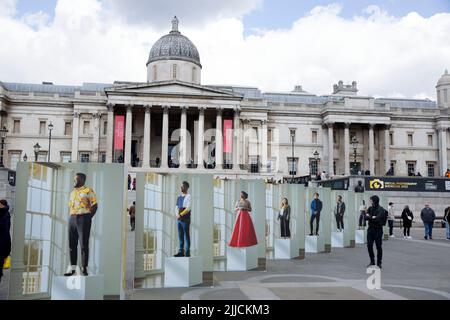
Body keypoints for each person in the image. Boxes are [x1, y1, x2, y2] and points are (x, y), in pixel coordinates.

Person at [65, 173, 98, 276]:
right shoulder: (72, 192)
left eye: (76, 179)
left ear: (82, 180)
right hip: (72, 219)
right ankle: (73, 269)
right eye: (74, 179)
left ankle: (84, 268)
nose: (74, 181)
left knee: (83, 245)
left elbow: (95, 205)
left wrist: (87, 217)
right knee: (72, 245)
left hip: (83, 218)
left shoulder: (88, 190)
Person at [365, 195, 386, 269]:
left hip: (378, 230)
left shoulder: (381, 209)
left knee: (378, 246)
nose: (370, 201)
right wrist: (372, 217)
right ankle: (372, 261)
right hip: (370, 229)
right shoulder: (370, 208)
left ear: (374, 201)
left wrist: (370, 217)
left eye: (371, 200)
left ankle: (379, 262)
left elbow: (377, 219)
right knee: (369, 245)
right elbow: (365, 217)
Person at [174, 181, 192, 257]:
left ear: (186, 187)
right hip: (179, 219)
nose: (181, 187)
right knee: (180, 236)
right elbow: (176, 207)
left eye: (182, 186)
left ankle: (187, 252)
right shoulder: (179, 197)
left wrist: (180, 215)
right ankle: (181, 252)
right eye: (181, 186)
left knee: (186, 236)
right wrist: (177, 215)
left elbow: (188, 208)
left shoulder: (189, 196)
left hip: (185, 219)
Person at [0, 200, 11, 284]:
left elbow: (6, 232)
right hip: (3, 248)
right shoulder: (7, 215)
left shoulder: (5, 215)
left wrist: (7, 253)